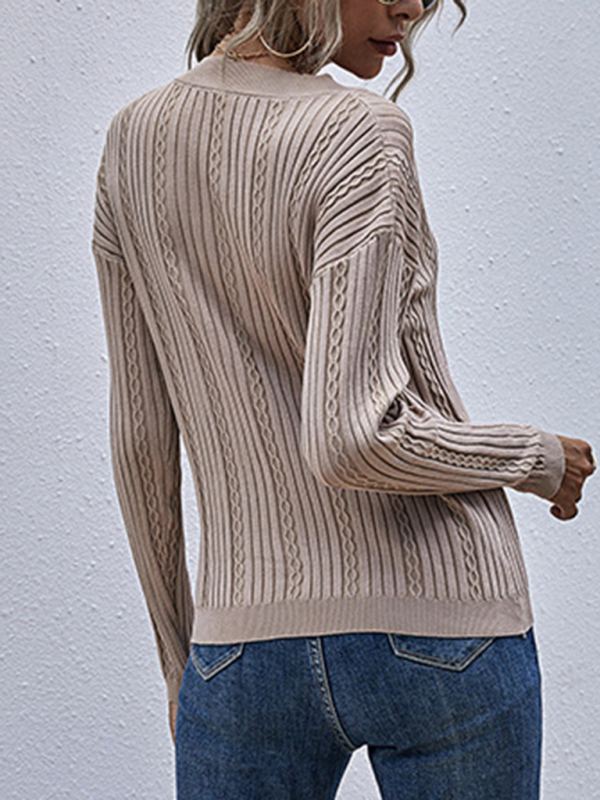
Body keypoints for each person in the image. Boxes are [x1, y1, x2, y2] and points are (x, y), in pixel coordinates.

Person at [92, 0, 595, 797]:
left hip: (241, 644)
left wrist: (182, 660)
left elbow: (140, 439)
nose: (413, 7)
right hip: (441, 628)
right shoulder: (360, 129)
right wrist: (534, 457)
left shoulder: (132, 139)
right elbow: (352, 437)